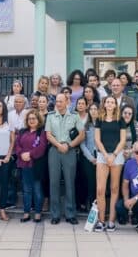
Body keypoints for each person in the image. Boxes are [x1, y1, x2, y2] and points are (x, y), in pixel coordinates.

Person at [45, 93, 86, 225]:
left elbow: (81, 135)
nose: (58, 104)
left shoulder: (74, 115)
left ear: (67, 102)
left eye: (61, 101)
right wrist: (59, 145)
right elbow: (48, 135)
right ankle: (55, 214)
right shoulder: (51, 116)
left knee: (70, 182)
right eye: (57, 101)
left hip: (70, 150)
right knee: (54, 182)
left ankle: (70, 214)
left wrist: (69, 145)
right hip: (54, 150)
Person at [93, 96, 127, 232]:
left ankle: (111, 221)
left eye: (112, 102)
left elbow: (123, 140)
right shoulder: (99, 119)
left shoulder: (120, 120)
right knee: (100, 189)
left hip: (116, 156)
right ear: (104, 104)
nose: (110, 104)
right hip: (102, 156)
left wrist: (113, 155)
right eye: (108, 102)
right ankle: (101, 221)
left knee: (114, 188)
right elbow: (97, 139)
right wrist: (106, 155)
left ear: (115, 105)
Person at [15, 109, 48, 223]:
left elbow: (42, 148)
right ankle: (26, 213)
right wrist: (21, 154)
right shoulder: (22, 131)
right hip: (24, 164)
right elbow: (17, 145)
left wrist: (30, 154)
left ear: (38, 120)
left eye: (34, 118)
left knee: (37, 189)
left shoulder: (42, 132)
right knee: (26, 190)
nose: (31, 120)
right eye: (29, 119)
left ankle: (38, 213)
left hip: (36, 165)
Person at [78, 104, 99, 213]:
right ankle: (90, 206)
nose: (93, 111)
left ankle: (98, 206)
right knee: (90, 182)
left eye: (95, 109)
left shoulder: (102, 125)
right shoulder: (85, 126)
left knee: (98, 183)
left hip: (100, 157)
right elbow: (82, 145)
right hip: (89, 158)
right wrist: (91, 158)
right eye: (91, 109)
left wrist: (99, 157)